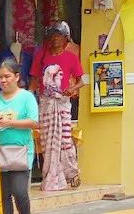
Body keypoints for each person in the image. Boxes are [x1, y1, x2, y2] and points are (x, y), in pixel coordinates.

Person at [29, 22, 83, 190]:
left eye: (57, 37)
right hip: (45, 103)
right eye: (51, 37)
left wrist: (72, 89)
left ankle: (71, 172)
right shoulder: (41, 56)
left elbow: (83, 81)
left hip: (63, 104)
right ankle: (51, 178)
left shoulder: (71, 58)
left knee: (65, 139)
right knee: (47, 141)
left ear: (65, 39)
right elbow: (35, 80)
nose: (54, 41)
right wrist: (28, 96)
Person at [0, 59, 39, 214]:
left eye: (7, 76)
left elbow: (34, 122)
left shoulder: (26, 97)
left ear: (17, 76)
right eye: (0, 77)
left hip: (21, 152)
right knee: (4, 195)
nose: (3, 80)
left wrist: (10, 122)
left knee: (20, 192)